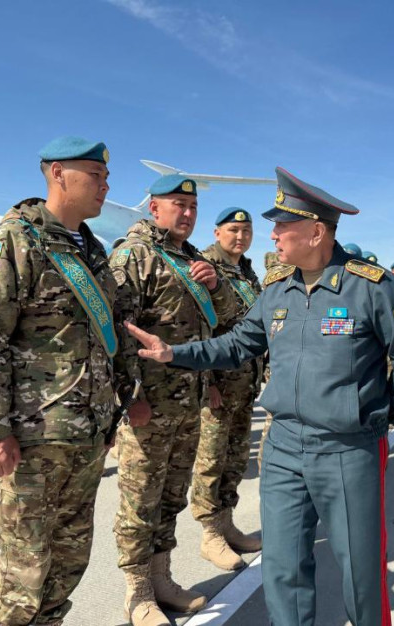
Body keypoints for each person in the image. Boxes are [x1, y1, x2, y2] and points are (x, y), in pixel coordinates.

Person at [126, 167, 394, 626]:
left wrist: (373, 415)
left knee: (360, 569)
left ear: (316, 232)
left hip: (347, 450)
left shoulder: (371, 286)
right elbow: (237, 344)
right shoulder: (277, 288)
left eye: (282, 226)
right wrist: (174, 353)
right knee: (283, 567)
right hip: (284, 449)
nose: (271, 235)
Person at [0, 136, 139, 625]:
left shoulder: (91, 250)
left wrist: (118, 407)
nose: (105, 186)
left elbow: (109, 335)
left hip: (86, 434)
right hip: (33, 438)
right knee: (25, 573)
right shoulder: (13, 241)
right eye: (95, 176)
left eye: (106, 177)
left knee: (68, 562)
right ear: (58, 173)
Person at [109, 173, 236, 625]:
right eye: (178, 205)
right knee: (139, 501)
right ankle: (138, 593)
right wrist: (131, 396)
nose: (187, 213)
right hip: (150, 405)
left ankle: (162, 578)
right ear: (154, 208)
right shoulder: (134, 255)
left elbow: (225, 320)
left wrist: (216, 287)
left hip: (188, 403)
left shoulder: (193, 259)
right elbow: (115, 333)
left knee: (171, 496)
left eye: (193, 207)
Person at [192, 207, 263, 571]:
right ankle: (210, 535)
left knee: (235, 458)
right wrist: (207, 381)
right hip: (219, 386)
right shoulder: (204, 266)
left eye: (246, 230)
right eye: (233, 230)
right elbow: (197, 328)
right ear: (217, 232)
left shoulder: (246, 271)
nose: (240, 236)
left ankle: (227, 523)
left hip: (245, 383)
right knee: (211, 461)